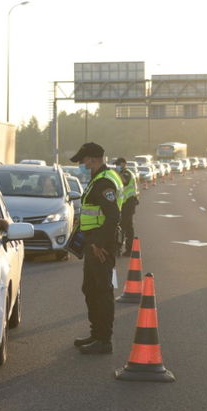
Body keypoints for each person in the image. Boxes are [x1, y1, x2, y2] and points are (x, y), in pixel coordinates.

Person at [69, 142, 121, 354]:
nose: (81, 163)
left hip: (102, 246)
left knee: (102, 292)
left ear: (93, 159)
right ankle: (96, 333)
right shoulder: (97, 179)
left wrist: (99, 244)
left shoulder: (104, 182)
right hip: (93, 244)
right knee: (90, 289)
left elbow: (113, 217)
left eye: (83, 160)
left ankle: (104, 340)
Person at [114, 157, 139, 255]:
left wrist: (117, 174)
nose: (117, 166)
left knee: (123, 226)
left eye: (118, 164)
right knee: (127, 226)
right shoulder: (123, 173)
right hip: (125, 203)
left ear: (124, 163)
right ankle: (126, 248)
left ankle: (121, 248)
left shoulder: (127, 173)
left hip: (129, 203)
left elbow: (125, 181)